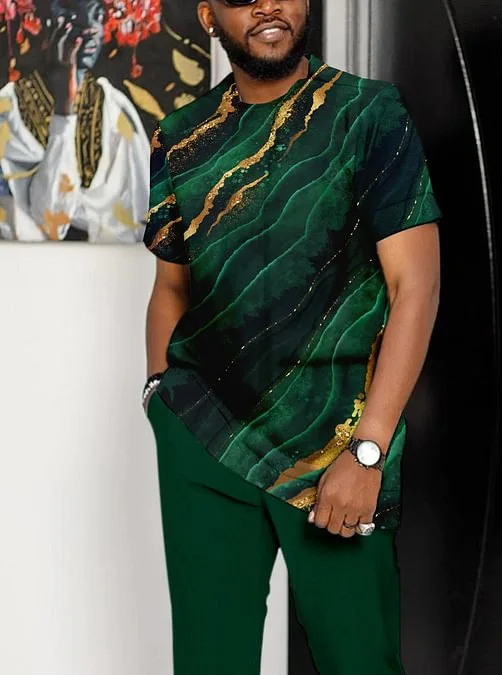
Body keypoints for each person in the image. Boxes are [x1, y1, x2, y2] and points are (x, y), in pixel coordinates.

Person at [142, 0, 441, 672]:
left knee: (359, 661)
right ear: (209, 16)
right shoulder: (180, 136)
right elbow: (170, 287)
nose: (267, 6)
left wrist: (368, 451)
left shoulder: (368, 114)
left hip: (337, 448)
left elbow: (415, 288)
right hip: (206, 442)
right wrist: (161, 398)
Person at [0, 0, 150, 242]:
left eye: (97, 15)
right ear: (41, 21)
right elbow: (51, 221)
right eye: (72, 12)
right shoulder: (8, 109)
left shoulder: (115, 109)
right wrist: (64, 110)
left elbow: (140, 216)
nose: (90, 28)